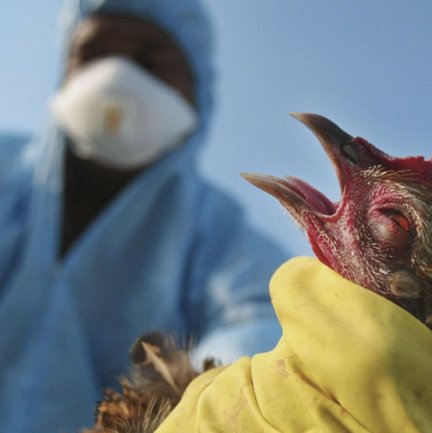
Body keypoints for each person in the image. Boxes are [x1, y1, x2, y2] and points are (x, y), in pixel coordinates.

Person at [0, 0, 287, 431]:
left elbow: (267, 319)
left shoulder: (215, 231)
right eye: (94, 54)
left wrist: (207, 399)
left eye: (150, 58)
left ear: (197, 91)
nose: (116, 75)